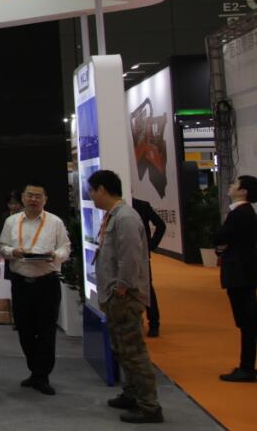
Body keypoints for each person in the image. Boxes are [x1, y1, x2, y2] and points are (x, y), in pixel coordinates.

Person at [88, 169, 163, 424]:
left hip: (124, 297)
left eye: (92, 191)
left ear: (102, 189)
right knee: (122, 348)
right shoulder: (114, 216)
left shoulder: (126, 218)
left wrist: (121, 288)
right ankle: (132, 393)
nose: (91, 196)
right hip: (115, 296)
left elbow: (130, 257)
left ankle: (149, 406)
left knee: (134, 351)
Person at [0, 184, 71, 395]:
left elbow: (65, 248)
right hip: (21, 283)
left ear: (45, 199)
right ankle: (35, 370)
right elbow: (2, 246)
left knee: (46, 331)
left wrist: (55, 255)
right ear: (22, 197)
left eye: (38, 196)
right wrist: (13, 252)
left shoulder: (55, 222)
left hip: (46, 283)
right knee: (24, 329)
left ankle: (42, 375)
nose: (33, 200)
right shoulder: (11, 222)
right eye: (30, 195)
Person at [213, 174, 257, 382]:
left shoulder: (240, 213)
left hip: (240, 273)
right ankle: (246, 366)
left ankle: (247, 367)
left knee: (247, 322)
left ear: (243, 191)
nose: (231, 186)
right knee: (247, 321)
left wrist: (222, 244)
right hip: (242, 271)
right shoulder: (243, 213)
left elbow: (220, 236)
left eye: (235, 184)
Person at [132, 197, 166, 337]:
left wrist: (150, 246)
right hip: (136, 254)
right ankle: (151, 324)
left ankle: (153, 323)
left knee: (146, 288)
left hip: (140, 255)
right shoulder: (140, 204)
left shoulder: (140, 205)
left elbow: (161, 225)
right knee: (146, 288)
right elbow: (161, 226)